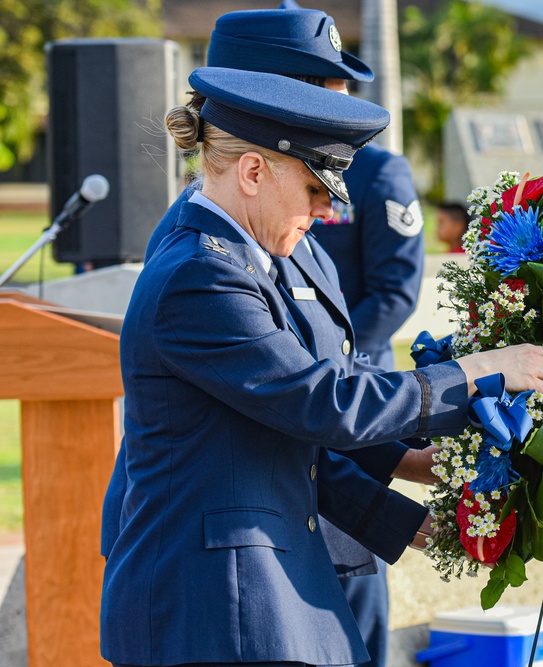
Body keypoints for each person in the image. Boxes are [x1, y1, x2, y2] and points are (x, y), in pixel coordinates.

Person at [100, 66, 543, 667]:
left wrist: (414, 508)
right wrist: (484, 371)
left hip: (257, 590)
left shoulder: (243, 261)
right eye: (313, 189)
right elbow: (323, 403)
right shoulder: (203, 276)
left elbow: (279, 440)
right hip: (214, 606)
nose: (325, 212)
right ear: (252, 172)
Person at [137, 9, 419, 664]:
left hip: (313, 504)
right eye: (313, 85)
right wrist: (475, 379)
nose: (333, 102)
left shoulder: (277, 218)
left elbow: (314, 381)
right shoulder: (207, 249)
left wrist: (401, 476)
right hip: (230, 552)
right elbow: (298, 396)